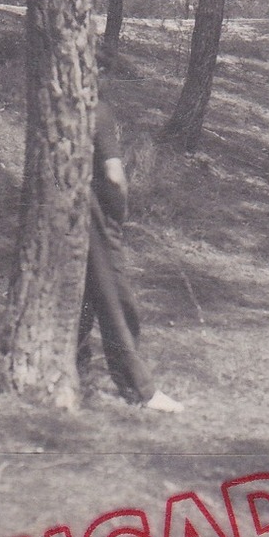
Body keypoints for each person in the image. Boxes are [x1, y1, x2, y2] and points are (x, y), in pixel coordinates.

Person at [77, 93, 183, 413]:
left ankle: (72, 368)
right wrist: (117, 216)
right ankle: (140, 389)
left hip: (62, 213)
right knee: (117, 302)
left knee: (81, 293)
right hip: (94, 214)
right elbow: (114, 177)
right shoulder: (99, 110)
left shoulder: (62, 103)